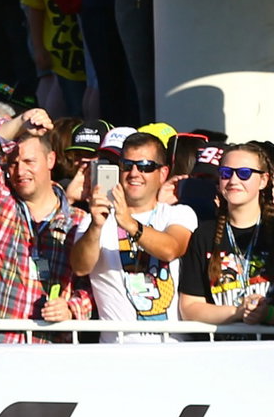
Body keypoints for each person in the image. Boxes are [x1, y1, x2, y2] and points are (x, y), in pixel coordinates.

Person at [0, 106, 93, 342]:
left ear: (50, 160)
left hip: (49, 348)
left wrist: (72, 309)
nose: (20, 170)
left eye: (29, 161)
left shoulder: (78, 220)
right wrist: (21, 121)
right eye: (12, 163)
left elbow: (93, 285)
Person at [68, 130, 197, 342]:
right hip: (117, 352)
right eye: (127, 166)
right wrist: (96, 226)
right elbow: (80, 267)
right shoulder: (96, 218)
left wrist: (128, 222)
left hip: (172, 351)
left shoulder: (178, 213)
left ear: (163, 173)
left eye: (145, 166)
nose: (134, 173)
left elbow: (171, 249)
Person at [179, 143, 274, 329]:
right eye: (226, 173)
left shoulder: (271, 230)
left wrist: (266, 313)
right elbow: (189, 308)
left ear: (263, 180)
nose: (233, 180)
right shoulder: (204, 234)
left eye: (244, 173)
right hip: (223, 352)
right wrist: (238, 312)